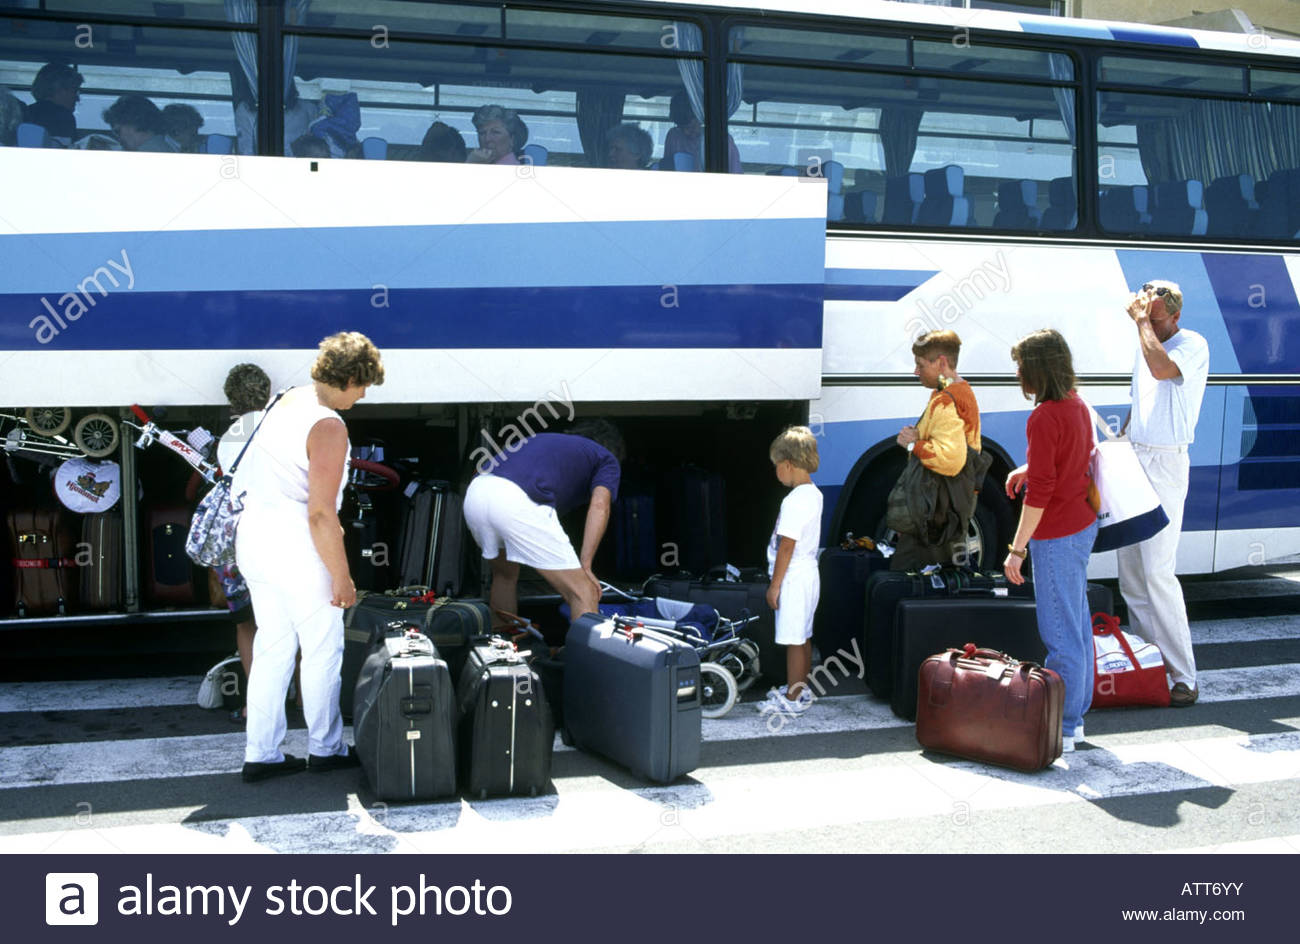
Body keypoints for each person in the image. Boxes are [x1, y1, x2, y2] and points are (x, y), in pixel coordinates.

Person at [233, 332, 384, 782]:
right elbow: (320, 512)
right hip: (297, 545)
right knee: (322, 647)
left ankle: (261, 753)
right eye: (364, 386)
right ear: (351, 376)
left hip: (254, 540)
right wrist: (342, 576)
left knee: (273, 647)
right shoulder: (329, 425)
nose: (363, 395)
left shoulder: (283, 402)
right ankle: (326, 746)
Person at [1003, 329, 1098, 753]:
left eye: (1021, 367)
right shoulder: (1076, 403)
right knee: (1077, 626)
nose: (1018, 374)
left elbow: (1040, 494)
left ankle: (1066, 725)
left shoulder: (1042, 417)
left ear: (1036, 370)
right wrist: (1030, 466)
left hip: (1057, 532)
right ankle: (1078, 716)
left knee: (1058, 633)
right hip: (1081, 523)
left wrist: (1016, 550)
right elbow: (1072, 454)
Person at [1118, 280, 1209, 707]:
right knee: (1132, 574)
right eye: (1147, 320)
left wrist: (1141, 322)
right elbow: (1143, 395)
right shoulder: (1148, 338)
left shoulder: (1193, 344)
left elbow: (1160, 370)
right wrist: (1122, 439)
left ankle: (1183, 675)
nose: (1148, 326)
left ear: (1175, 316)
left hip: (1167, 461)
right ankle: (1150, 666)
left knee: (1157, 570)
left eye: (1156, 320)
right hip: (1136, 455)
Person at [464, 419, 622, 624]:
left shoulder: (543, 440)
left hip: (477, 492)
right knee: (584, 591)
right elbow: (600, 506)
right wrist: (586, 565)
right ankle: (585, 655)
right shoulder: (605, 458)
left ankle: (501, 649)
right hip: (515, 499)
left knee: (505, 576)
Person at [889, 329, 983, 570]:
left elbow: (950, 460)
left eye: (920, 365)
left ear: (941, 362)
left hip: (937, 513)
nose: (916, 372)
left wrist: (912, 443)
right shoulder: (958, 393)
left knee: (908, 580)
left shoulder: (946, 400)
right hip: (947, 510)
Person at [214, 364, 271, 723]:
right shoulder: (282, 429)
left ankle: (255, 702)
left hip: (238, 538)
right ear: (267, 392)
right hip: (277, 536)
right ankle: (298, 697)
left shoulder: (226, 441)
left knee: (246, 623)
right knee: (287, 622)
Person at [761, 426, 823, 716]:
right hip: (808, 572)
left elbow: (786, 546)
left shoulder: (794, 501)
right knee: (804, 634)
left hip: (793, 576)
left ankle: (793, 695)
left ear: (787, 464)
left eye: (776, 467)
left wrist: (775, 586)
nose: (776, 473)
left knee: (793, 639)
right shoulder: (814, 494)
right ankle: (801, 687)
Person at [662, 90, 741, 173]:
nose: (686, 132)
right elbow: (666, 170)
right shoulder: (674, 137)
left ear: (701, 119)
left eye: (691, 127)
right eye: (681, 128)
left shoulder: (722, 141)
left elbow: (735, 175)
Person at [24, 62, 82, 142]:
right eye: (74, 91)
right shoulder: (62, 116)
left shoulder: (25, 112)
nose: (77, 98)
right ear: (58, 88)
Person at [102, 94, 177, 152]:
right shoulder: (164, 147)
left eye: (118, 131)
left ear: (133, 123)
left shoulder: (147, 153)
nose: (118, 138)